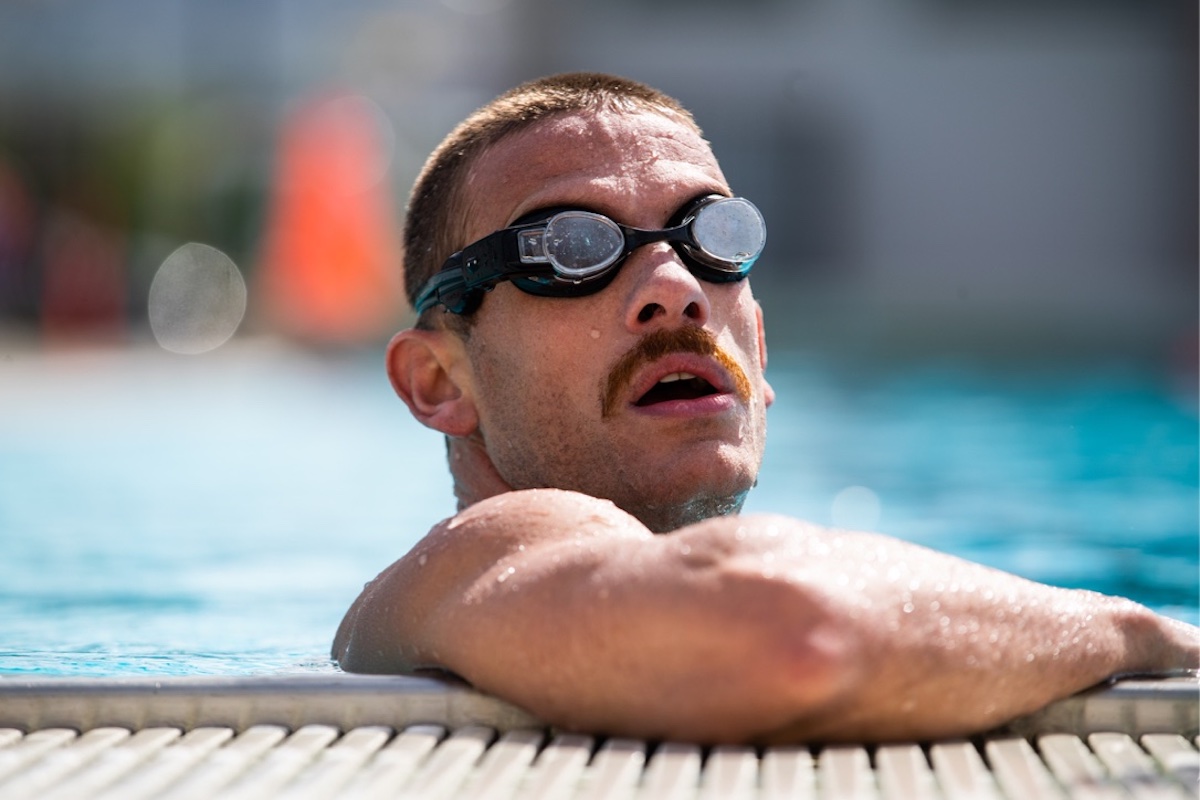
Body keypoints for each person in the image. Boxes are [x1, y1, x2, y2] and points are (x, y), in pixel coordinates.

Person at [333, 72, 1198, 744]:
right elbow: (785, 631)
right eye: (569, 247)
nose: (676, 290)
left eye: (713, 235)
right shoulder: (477, 559)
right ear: (440, 383)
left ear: (761, 351)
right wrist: (1150, 637)